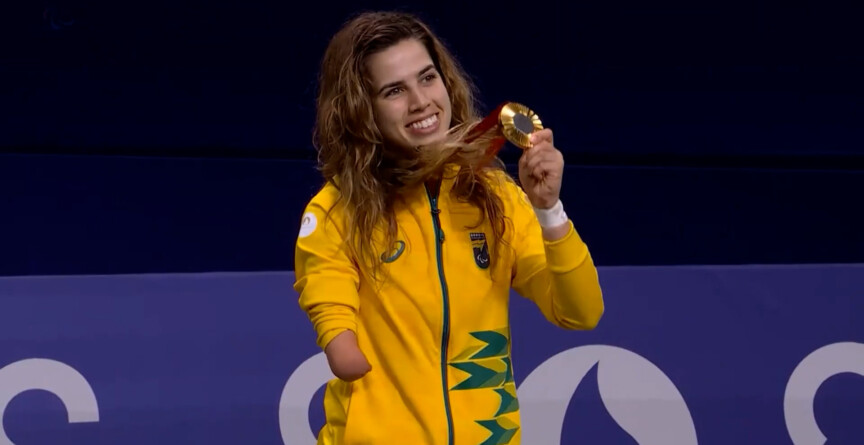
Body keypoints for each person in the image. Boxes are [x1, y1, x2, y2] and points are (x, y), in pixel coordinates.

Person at [293, 10, 604, 445]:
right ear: (361, 110)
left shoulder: (496, 198)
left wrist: (549, 211)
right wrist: (341, 344)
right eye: (394, 91)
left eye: (427, 78)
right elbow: (329, 300)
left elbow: (581, 313)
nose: (421, 101)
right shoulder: (337, 209)